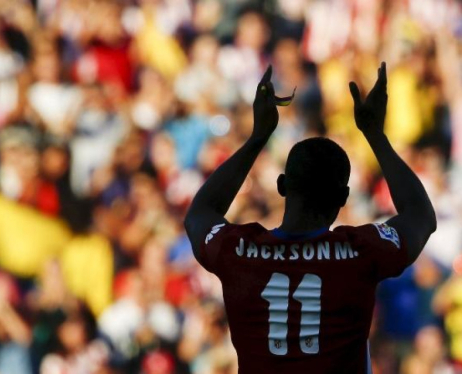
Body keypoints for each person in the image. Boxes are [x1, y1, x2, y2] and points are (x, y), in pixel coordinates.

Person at [183, 63, 437, 373]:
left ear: (281, 186)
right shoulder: (362, 252)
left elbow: (198, 214)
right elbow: (420, 215)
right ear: (343, 199)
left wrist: (257, 139)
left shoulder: (236, 251)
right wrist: (375, 135)